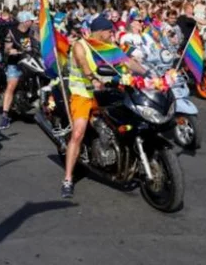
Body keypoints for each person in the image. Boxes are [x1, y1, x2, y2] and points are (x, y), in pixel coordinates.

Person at [61, 16, 145, 199]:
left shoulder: (106, 47)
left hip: (104, 93)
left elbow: (127, 62)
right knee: (78, 134)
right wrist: (92, 79)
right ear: (100, 31)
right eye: (109, 31)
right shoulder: (80, 45)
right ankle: (68, 178)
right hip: (82, 93)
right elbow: (83, 63)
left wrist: (149, 75)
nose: (112, 34)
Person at [0, 11, 38, 130]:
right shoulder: (11, 33)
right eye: (30, 20)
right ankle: (5, 115)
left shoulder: (32, 31)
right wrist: (10, 51)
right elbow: (7, 48)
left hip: (31, 60)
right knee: (12, 85)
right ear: (24, 22)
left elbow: (40, 42)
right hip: (15, 63)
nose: (33, 22)